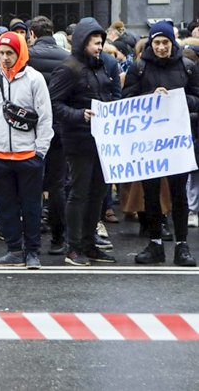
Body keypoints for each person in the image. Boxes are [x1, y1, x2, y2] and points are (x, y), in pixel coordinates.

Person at [123, 21, 199, 266]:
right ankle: (155, 243)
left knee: (179, 195)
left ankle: (181, 246)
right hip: (150, 143)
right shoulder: (139, 67)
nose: (161, 47)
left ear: (172, 43)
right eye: (157, 42)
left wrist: (178, 101)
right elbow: (127, 100)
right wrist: (150, 98)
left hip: (177, 141)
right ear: (151, 43)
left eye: (165, 42)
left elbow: (197, 98)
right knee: (151, 194)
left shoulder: (187, 67)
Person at [49, 18, 117, 266]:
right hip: (78, 141)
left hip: (101, 141)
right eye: (94, 43)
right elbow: (54, 104)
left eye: (101, 43)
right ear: (82, 42)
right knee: (78, 193)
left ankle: (89, 244)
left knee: (97, 194)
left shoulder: (99, 67)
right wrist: (80, 115)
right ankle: (73, 247)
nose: (99, 47)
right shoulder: (68, 68)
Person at [0, 32, 53, 268]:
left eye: (10, 53)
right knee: (7, 207)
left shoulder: (35, 79)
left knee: (32, 207)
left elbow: (45, 118)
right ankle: (14, 249)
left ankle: (32, 252)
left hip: (28, 156)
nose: (5, 58)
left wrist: (40, 152)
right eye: (1, 53)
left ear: (20, 52)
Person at [27, 15, 70, 255]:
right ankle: (58, 238)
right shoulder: (67, 58)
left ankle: (31, 237)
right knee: (57, 185)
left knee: (30, 183)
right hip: (60, 127)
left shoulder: (29, 58)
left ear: (32, 34)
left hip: (31, 128)